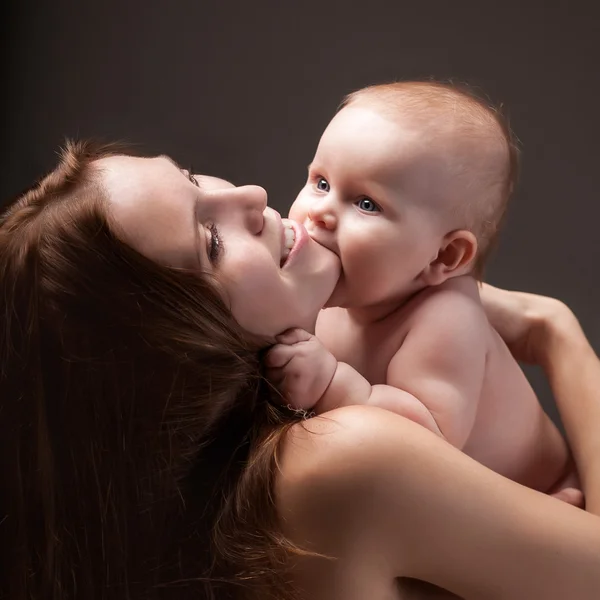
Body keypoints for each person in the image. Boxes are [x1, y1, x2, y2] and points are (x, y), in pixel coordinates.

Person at [1, 141, 599, 600]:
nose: (255, 196)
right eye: (210, 240)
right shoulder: (341, 458)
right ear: (180, 349)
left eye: (191, 178)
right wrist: (556, 334)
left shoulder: (232, 492)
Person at [272, 80, 579, 503]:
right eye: (321, 182)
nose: (320, 212)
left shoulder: (446, 319)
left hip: (544, 496)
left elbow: (428, 444)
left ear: (444, 256)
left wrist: (333, 384)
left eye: (366, 204)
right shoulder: (341, 292)